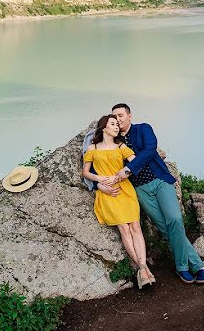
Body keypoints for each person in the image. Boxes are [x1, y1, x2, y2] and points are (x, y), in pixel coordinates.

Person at [112, 103, 204, 284]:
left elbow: (150, 150)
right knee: (165, 229)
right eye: (114, 116)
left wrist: (129, 168)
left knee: (175, 219)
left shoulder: (143, 129)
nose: (118, 119)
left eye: (120, 115)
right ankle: (198, 266)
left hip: (159, 180)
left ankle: (183, 266)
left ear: (129, 116)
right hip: (140, 189)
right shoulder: (115, 141)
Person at [82, 114, 155, 289]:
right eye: (113, 124)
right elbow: (85, 172)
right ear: (103, 127)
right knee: (124, 228)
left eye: (117, 124)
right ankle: (143, 269)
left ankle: (142, 268)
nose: (117, 126)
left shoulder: (121, 146)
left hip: (125, 189)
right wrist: (100, 180)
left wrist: (124, 171)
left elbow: (135, 162)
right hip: (109, 192)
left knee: (135, 226)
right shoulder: (92, 148)